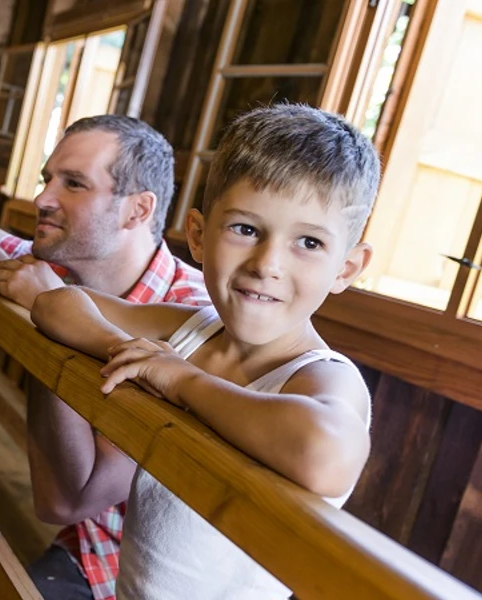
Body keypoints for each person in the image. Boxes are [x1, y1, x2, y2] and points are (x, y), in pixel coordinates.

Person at [29, 103, 379, 599]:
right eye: (246, 230)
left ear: (346, 268)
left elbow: (325, 454)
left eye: (308, 242)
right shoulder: (193, 332)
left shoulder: (317, 374)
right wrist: (131, 350)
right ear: (197, 235)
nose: (267, 264)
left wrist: (181, 380)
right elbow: (56, 304)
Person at [0, 115, 208, 600]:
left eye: (73, 184)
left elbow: (69, 499)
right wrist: (1, 271)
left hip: (142, 579)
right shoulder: (60, 264)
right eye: (47, 179)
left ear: (137, 210)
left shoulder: (193, 323)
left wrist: (48, 308)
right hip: (87, 546)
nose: (42, 199)